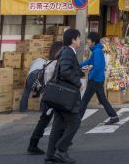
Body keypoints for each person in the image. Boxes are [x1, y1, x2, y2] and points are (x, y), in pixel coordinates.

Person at [45, 28, 83, 164]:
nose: (80, 41)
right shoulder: (68, 52)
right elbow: (65, 71)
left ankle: (50, 155)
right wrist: (78, 82)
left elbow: (65, 68)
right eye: (78, 38)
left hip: (60, 95)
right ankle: (61, 150)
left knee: (58, 124)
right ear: (73, 40)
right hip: (66, 95)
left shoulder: (65, 51)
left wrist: (80, 71)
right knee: (75, 121)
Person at [26, 41, 64, 155]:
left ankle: (34, 144)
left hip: (47, 96)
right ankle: (34, 145)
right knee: (51, 120)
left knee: (47, 120)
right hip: (53, 97)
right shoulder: (55, 65)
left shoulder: (48, 63)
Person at [78, 32, 119, 124]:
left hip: (95, 80)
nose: (87, 42)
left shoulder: (97, 51)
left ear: (93, 41)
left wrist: (90, 77)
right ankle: (114, 116)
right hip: (98, 80)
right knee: (102, 99)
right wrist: (78, 64)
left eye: (88, 40)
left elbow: (97, 67)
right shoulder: (96, 50)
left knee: (84, 100)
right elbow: (89, 61)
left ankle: (76, 120)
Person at [22, 41, 63, 112]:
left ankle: (22, 110)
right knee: (43, 93)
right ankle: (42, 110)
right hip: (39, 76)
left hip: (31, 75)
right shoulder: (51, 63)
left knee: (26, 92)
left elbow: (30, 72)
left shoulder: (40, 61)